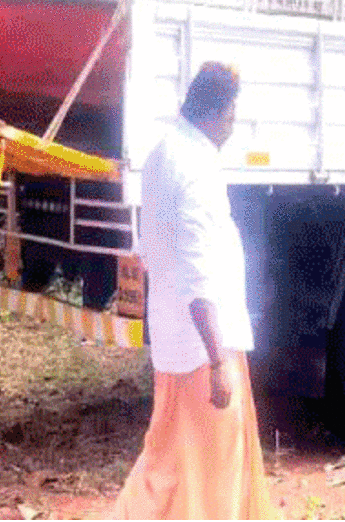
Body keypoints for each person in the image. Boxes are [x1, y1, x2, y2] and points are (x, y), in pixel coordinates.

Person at [115, 62, 271, 519]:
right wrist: (219, 361)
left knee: (170, 466)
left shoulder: (166, 152)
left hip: (177, 343)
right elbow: (198, 274)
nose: (234, 123)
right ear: (219, 112)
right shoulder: (196, 167)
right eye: (233, 112)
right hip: (205, 349)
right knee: (212, 473)